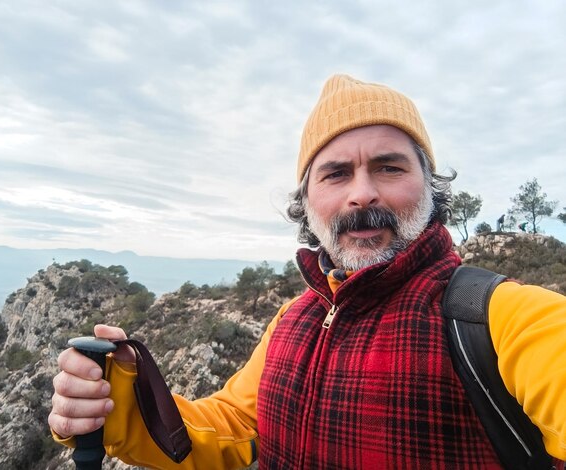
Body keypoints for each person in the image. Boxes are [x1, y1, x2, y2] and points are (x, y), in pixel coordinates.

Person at [49, 74, 566, 468]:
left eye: (389, 166)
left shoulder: (505, 319)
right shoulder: (293, 320)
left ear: (430, 187)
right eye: (336, 173)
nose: (362, 192)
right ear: (308, 202)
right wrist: (121, 403)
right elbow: (230, 429)